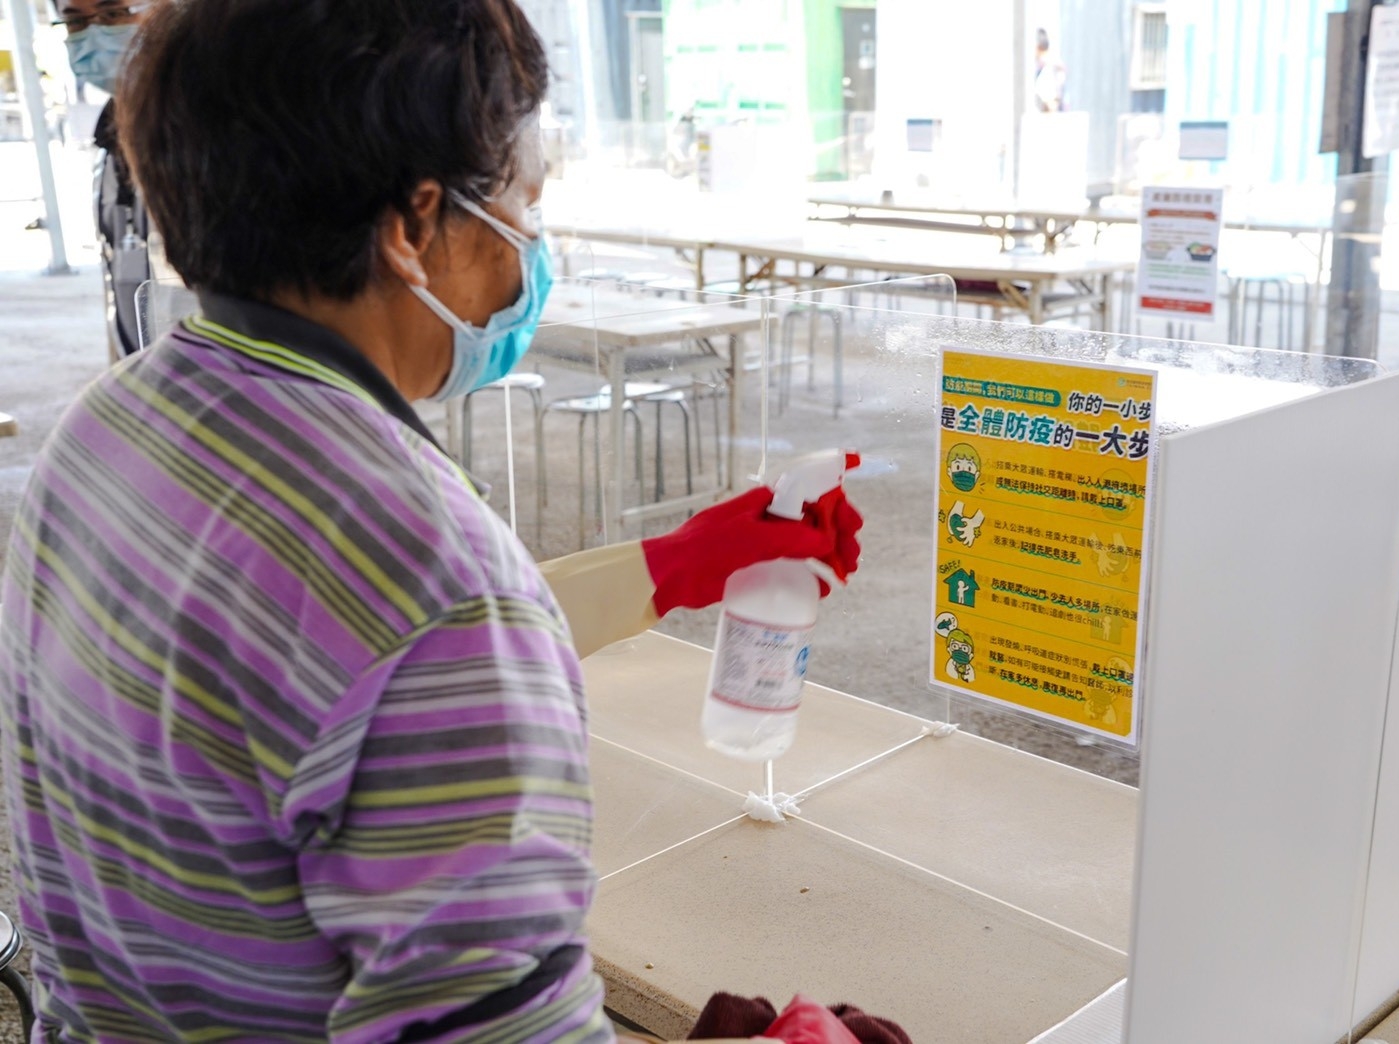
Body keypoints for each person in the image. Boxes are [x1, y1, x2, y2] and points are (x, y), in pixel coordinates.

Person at [0, 2, 864, 1041]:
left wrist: (675, 564)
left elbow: (330, 675)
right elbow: (421, 637)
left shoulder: (109, 424)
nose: (530, 250)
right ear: (414, 228)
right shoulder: (431, 582)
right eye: (523, 204)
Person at [52, 0, 164, 362]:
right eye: (75, 22)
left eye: (113, 14)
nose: (94, 35)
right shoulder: (110, 137)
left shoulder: (224, 133)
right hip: (149, 372)